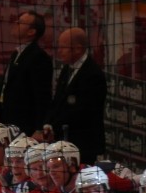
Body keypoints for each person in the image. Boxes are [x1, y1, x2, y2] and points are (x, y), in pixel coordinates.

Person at [36, 27, 107, 166]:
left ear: (78, 49)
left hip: (83, 143)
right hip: (62, 138)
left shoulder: (93, 75)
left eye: (63, 47)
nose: (59, 51)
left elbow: (82, 111)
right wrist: (48, 125)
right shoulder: (67, 68)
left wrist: (54, 127)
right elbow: (57, 101)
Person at [0, 9, 52, 135]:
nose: (15, 23)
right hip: (8, 122)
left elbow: (41, 97)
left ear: (32, 31)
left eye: (20, 22)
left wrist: (39, 128)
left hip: (25, 127)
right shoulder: (17, 53)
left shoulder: (39, 58)